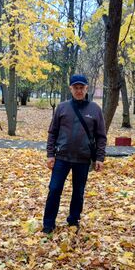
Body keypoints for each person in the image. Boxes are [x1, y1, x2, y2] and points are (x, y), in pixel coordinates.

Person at [42, 74, 107, 234]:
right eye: (75, 88)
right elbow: (52, 132)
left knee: (78, 192)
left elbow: (101, 136)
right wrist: (50, 154)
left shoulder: (95, 109)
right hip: (62, 157)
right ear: (71, 89)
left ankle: (73, 220)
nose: (79, 91)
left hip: (83, 159)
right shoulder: (62, 108)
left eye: (81, 87)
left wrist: (99, 158)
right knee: (54, 189)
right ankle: (48, 224)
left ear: (86, 89)